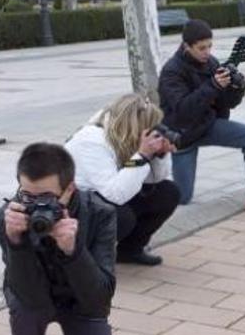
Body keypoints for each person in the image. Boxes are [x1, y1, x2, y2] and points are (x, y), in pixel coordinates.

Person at [0, 143, 166, 335]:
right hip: (35, 298)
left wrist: (73, 252)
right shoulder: (7, 216)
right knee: (24, 310)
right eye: (27, 196)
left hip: (81, 302)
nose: (35, 207)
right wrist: (16, 242)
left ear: (69, 189)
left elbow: (100, 298)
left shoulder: (99, 214)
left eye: (46, 198)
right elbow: (26, 292)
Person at [158, 19, 245, 214]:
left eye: (210, 46)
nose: (207, 52)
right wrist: (213, 86)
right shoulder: (171, 71)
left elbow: (226, 104)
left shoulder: (211, 63)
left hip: (206, 126)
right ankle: (149, 184)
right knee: (182, 197)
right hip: (182, 136)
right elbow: (184, 111)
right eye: (201, 48)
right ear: (186, 46)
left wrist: (237, 88)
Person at [65, 93, 179, 266]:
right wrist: (142, 155)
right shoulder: (91, 140)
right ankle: (86, 259)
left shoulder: (123, 137)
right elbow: (115, 194)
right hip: (74, 206)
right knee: (119, 216)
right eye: (148, 127)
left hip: (102, 196)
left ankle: (129, 251)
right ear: (134, 126)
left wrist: (159, 154)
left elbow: (155, 180)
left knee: (168, 193)